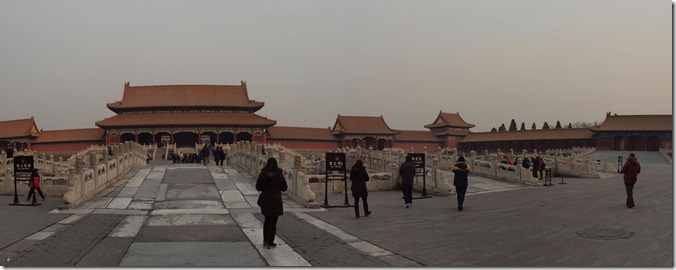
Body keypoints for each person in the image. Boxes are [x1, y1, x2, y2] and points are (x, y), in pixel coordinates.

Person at [256, 157, 288, 249]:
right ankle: (270, 242)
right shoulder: (279, 174)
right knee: (273, 221)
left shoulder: (263, 174)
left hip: (266, 199)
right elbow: (284, 188)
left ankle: (265, 240)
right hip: (275, 200)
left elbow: (258, 187)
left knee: (267, 220)